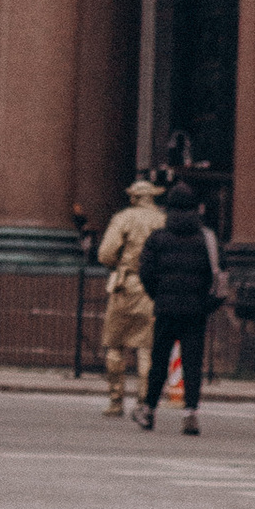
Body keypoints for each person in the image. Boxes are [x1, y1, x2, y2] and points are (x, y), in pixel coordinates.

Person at [137, 182, 216, 433]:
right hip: (195, 311)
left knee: (159, 360)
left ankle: (149, 410)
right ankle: (190, 412)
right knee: (192, 364)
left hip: (166, 309)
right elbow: (217, 274)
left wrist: (158, 296)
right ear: (195, 208)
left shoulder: (158, 238)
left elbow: (146, 272)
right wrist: (205, 304)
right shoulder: (206, 239)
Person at [95, 176, 163, 416]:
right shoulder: (163, 220)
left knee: (115, 345)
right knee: (146, 348)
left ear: (134, 197)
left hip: (126, 284)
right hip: (153, 287)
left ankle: (116, 401)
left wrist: (120, 264)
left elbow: (105, 254)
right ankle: (144, 403)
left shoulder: (123, 218)